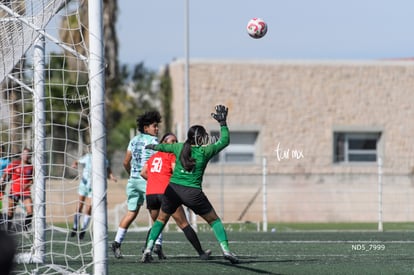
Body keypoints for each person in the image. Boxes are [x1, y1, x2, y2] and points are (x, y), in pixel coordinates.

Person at [141, 105, 239, 264]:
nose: (206, 137)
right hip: (192, 192)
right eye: (204, 135)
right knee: (214, 221)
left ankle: (148, 249)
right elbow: (225, 140)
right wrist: (223, 123)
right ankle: (226, 250)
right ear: (199, 138)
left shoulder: (180, 147)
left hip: (172, 190)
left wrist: (152, 146)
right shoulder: (206, 151)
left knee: (160, 220)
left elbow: (163, 146)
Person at [140, 132, 211, 260]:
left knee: (157, 224)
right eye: (171, 141)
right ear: (163, 143)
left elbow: (143, 173)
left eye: (176, 141)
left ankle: (147, 251)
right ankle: (201, 253)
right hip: (167, 192)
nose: (175, 143)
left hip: (151, 194)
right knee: (184, 224)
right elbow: (175, 171)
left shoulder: (153, 157)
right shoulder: (172, 155)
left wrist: (155, 180)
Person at [111, 111, 161, 259]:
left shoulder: (133, 140)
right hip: (147, 180)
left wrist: (132, 174)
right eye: (154, 126)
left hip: (133, 181)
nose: (157, 129)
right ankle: (156, 245)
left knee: (131, 213)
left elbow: (126, 162)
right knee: (157, 215)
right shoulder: (154, 142)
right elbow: (157, 163)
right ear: (146, 128)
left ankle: (116, 243)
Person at [70, 150, 117, 240]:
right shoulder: (88, 157)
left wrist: (111, 176)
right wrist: (75, 164)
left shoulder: (103, 159)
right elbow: (77, 161)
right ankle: (75, 227)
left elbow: (108, 168)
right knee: (79, 205)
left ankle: (83, 229)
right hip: (84, 184)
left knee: (89, 208)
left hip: (94, 187)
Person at [1, 147, 34, 232]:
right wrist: (2, 180)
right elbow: (6, 173)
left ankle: (25, 229)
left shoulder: (31, 167)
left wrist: (27, 185)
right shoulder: (15, 164)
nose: (25, 156)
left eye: (28, 154)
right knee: (10, 213)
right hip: (14, 191)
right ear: (21, 155)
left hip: (25, 192)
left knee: (30, 210)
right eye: (24, 154)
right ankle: (8, 230)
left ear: (30, 156)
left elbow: (32, 180)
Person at [0, 145, 10, 221]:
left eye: (2, 149)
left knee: (0, 198)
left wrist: (5, 180)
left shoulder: (7, 161)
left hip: (2, 182)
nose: (1, 151)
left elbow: (9, 172)